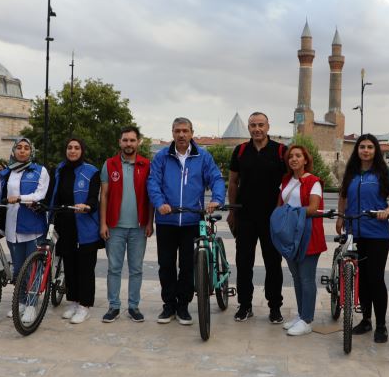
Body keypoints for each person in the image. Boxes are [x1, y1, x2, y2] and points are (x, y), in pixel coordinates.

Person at [147, 117, 226, 325]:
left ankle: (183, 306)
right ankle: (168, 306)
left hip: (192, 219)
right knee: (166, 265)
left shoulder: (203, 156)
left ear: (192, 133)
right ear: (172, 133)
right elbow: (153, 182)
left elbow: (216, 178)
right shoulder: (162, 156)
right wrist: (160, 203)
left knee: (188, 265)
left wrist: (217, 199)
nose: (181, 134)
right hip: (167, 219)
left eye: (185, 131)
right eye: (177, 131)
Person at [0, 137, 49, 323]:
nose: (22, 151)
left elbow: (40, 194)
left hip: (33, 228)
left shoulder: (40, 171)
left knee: (33, 269)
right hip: (12, 228)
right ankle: (20, 301)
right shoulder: (5, 173)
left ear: (31, 152)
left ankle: (31, 304)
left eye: (26, 148)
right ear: (13, 151)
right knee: (19, 269)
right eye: (18, 148)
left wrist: (20, 198)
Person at [336, 134, 389, 343]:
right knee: (361, 279)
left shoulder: (385, 171)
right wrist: (340, 217)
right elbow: (343, 196)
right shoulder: (351, 171)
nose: (365, 150)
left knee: (376, 278)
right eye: (362, 147)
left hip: (377, 233)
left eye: (370, 147)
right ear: (357, 150)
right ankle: (366, 319)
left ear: (375, 150)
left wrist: (387, 211)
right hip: (354, 231)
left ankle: (381, 325)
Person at [226, 112, 287, 324]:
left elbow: (290, 183)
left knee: (273, 263)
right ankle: (245, 305)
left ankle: (275, 307)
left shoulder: (281, 151)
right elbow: (233, 182)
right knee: (243, 263)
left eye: (260, 125)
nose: (257, 129)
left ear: (268, 126)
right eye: (253, 125)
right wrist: (232, 211)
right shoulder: (241, 151)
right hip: (245, 216)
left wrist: (284, 213)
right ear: (249, 128)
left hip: (272, 218)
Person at [100, 126, 153, 323]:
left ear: (138, 142)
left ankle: (133, 306)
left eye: (132, 140)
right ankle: (114, 306)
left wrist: (150, 222)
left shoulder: (147, 165)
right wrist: (103, 223)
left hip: (139, 227)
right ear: (119, 142)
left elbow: (150, 197)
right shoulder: (109, 164)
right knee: (114, 267)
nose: (128, 144)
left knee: (136, 269)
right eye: (125, 140)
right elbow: (103, 195)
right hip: (114, 226)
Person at [50, 138, 102, 324]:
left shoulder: (92, 171)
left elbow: (94, 198)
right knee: (69, 265)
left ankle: (85, 306)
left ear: (82, 150)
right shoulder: (60, 170)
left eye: (77, 148)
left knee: (85, 268)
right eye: (69, 147)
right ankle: (72, 301)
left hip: (85, 225)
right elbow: (54, 195)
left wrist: (87, 206)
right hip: (64, 224)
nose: (72, 151)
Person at [278, 144, 327, 336]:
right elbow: (280, 205)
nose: (294, 159)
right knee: (296, 277)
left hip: (308, 234)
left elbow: (313, 208)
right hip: (290, 234)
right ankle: (301, 314)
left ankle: (307, 320)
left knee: (307, 279)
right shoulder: (286, 180)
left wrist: (289, 214)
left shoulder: (314, 181)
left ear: (305, 160)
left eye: (298, 156)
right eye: (291, 156)